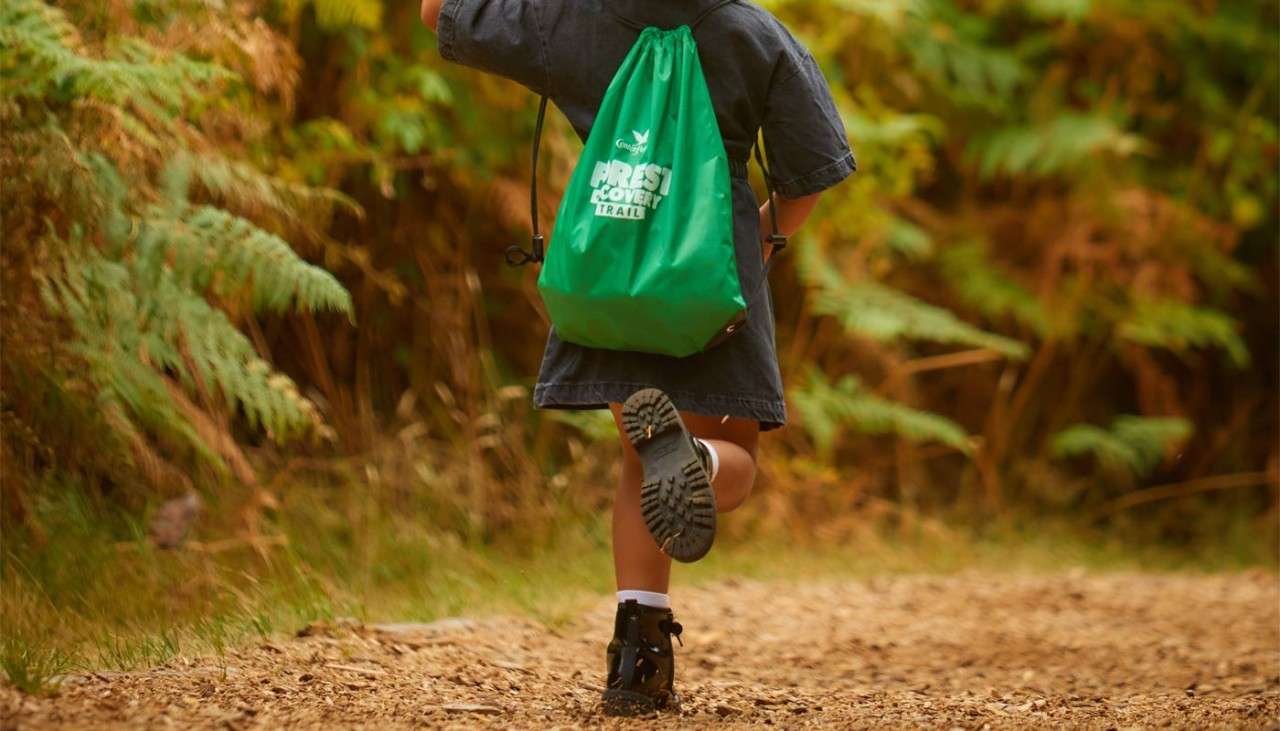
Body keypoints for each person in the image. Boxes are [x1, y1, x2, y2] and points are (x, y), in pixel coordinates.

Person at [420, 0, 854, 715]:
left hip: (611, 284)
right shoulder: (755, 35)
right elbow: (810, 177)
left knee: (637, 457)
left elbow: (438, 13)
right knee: (730, 459)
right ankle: (699, 463)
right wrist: (759, 241)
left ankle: (637, 661)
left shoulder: (570, 19)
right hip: (715, 291)